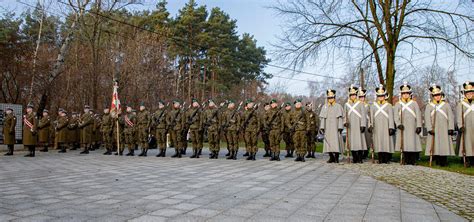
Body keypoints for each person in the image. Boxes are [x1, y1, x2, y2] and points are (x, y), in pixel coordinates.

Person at [425, 84, 455, 166]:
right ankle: (437, 160)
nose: (437, 97)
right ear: (432, 96)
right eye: (435, 95)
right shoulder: (429, 106)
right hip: (434, 129)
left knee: (444, 145)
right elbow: (427, 118)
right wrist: (429, 128)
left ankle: (444, 161)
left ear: (441, 95)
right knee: (435, 145)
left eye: (438, 95)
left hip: (444, 128)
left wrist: (451, 128)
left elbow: (451, 117)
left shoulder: (446, 105)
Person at [394, 82, 422, 165]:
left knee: (412, 144)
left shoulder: (414, 103)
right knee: (404, 144)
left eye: (407, 93)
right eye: (404, 93)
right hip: (403, 127)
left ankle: (412, 160)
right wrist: (398, 124)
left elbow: (418, 115)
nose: (405, 95)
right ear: (401, 94)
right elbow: (396, 116)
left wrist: (419, 126)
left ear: (410, 94)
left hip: (412, 127)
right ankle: (405, 159)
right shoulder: (398, 104)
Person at [369, 84, 395, 164]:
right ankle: (380, 158)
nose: (380, 97)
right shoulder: (373, 106)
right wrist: (370, 125)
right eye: (379, 96)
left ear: (384, 96)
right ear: (377, 96)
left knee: (386, 143)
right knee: (378, 143)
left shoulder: (389, 105)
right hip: (377, 127)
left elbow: (391, 117)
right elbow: (371, 117)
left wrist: (391, 127)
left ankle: (386, 159)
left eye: (382, 96)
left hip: (386, 126)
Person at [343, 85, 367, 163]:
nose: (353, 96)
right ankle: (354, 157)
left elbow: (363, 115)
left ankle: (360, 158)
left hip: (358, 125)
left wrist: (363, 125)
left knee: (360, 142)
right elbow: (344, 115)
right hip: (351, 126)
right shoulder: (346, 105)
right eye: (351, 95)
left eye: (354, 95)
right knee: (352, 142)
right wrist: (345, 122)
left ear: (356, 95)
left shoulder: (360, 104)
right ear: (349, 96)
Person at [320, 90, 344, 163]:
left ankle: (336, 157)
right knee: (328, 143)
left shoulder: (338, 106)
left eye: (332, 97)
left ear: (334, 97)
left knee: (336, 143)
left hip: (335, 128)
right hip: (327, 128)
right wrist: (322, 127)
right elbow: (323, 118)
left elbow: (340, 118)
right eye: (329, 97)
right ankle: (331, 157)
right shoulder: (324, 107)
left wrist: (340, 127)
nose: (330, 99)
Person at [457, 81, 474, 167]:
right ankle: (467, 160)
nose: (469, 94)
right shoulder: (461, 104)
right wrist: (460, 126)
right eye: (467, 93)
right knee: (467, 144)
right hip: (466, 127)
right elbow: (459, 116)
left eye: (471, 93)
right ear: (465, 94)